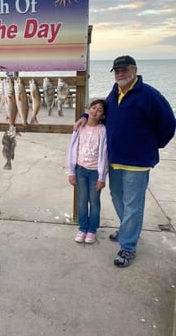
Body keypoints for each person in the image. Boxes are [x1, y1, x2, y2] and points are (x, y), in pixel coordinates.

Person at [75, 55, 175, 267]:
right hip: (115, 161)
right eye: (117, 70)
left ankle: (128, 246)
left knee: (132, 205)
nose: (121, 73)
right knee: (118, 199)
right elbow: (100, 109)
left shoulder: (150, 95)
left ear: (135, 70)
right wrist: (85, 115)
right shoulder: (114, 93)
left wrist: (151, 145)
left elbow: (168, 124)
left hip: (137, 163)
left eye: (125, 69)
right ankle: (127, 229)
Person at [68, 99, 108, 244]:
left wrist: (102, 177)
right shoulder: (80, 127)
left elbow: (104, 153)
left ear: (102, 116)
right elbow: (73, 149)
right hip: (80, 170)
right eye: (93, 108)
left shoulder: (103, 130)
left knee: (95, 202)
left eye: (99, 111)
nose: (95, 112)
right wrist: (71, 171)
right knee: (82, 201)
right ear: (88, 109)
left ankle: (92, 229)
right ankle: (83, 227)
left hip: (94, 173)